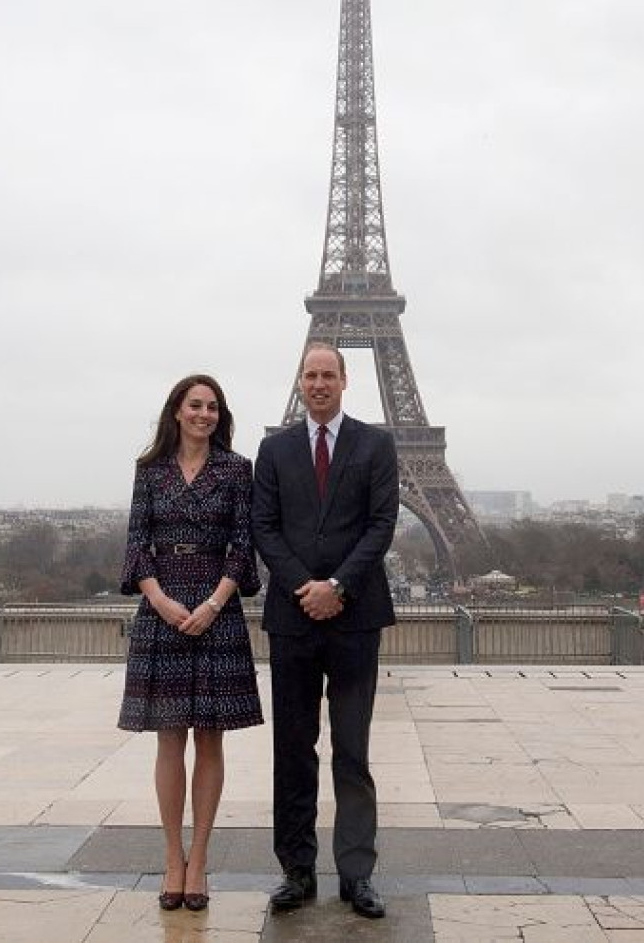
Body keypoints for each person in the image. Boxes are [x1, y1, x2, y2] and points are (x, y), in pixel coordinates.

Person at [252, 343, 398, 919]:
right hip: (294, 619)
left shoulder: (376, 443)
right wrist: (304, 589)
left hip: (355, 615)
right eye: (310, 375)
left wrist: (336, 586)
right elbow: (264, 527)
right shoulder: (275, 449)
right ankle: (296, 869)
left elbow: (381, 524)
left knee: (352, 750)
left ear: (345, 381)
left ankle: (356, 873)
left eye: (327, 375)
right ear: (301, 381)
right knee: (292, 750)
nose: (318, 383)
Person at [118, 374, 263, 912]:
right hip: (163, 607)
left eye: (213, 406)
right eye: (194, 405)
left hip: (215, 607)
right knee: (168, 739)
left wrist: (212, 604)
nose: (204, 413)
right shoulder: (149, 471)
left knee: (209, 740)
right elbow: (137, 544)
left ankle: (198, 860)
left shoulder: (236, 469)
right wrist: (159, 600)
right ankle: (171, 858)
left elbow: (243, 545)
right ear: (176, 411)